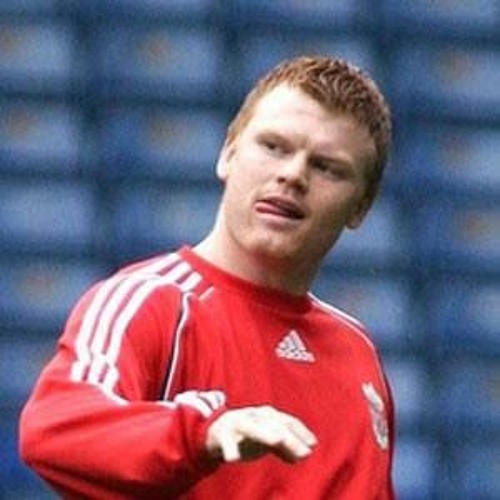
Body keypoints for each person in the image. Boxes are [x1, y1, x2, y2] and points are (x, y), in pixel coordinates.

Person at [19, 55, 395, 499]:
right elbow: (55, 426)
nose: (293, 174)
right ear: (228, 155)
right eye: (274, 147)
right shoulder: (151, 302)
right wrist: (203, 434)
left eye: (326, 167)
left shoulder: (356, 352)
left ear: (360, 207)